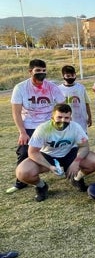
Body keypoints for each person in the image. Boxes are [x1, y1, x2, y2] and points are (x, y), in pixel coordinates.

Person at [15, 103, 95, 201]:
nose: (63, 120)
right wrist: (49, 166)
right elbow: (33, 152)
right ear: (52, 117)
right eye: (59, 117)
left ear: (70, 118)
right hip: (48, 155)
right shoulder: (43, 129)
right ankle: (41, 186)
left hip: (70, 153)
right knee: (22, 172)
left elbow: (84, 146)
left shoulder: (75, 127)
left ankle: (76, 179)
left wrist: (76, 162)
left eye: (66, 118)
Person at [7, 59, 65, 193]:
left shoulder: (52, 87)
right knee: (23, 152)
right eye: (38, 71)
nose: (41, 73)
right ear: (30, 71)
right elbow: (16, 112)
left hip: (49, 125)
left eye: (44, 71)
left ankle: (68, 172)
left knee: (60, 148)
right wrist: (22, 131)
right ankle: (21, 181)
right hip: (29, 125)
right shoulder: (20, 88)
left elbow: (62, 106)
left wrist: (61, 124)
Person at [59, 65, 92, 133]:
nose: (70, 77)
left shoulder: (81, 88)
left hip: (81, 121)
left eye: (72, 75)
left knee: (82, 142)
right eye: (68, 76)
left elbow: (86, 103)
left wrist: (90, 117)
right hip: (65, 122)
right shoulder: (59, 89)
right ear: (63, 76)